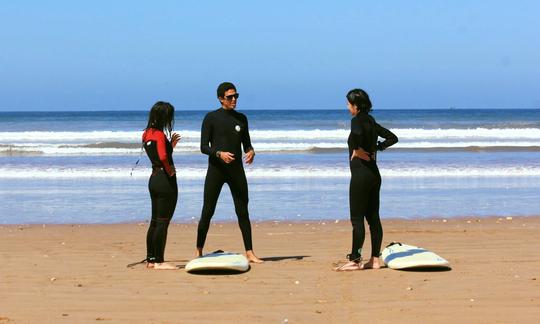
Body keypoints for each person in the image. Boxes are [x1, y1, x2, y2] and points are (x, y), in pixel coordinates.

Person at [196, 82, 263, 263]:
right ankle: (198, 251)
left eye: (236, 96)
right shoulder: (211, 118)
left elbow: (246, 144)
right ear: (220, 98)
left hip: (236, 172)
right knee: (208, 211)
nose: (234, 99)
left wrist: (251, 151)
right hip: (216, 171)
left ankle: (249, 252)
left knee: (242, 211)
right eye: (230, 97)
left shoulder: (241, 119)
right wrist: (219, 154)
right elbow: (203, 147)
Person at [336, 89, 398, 271]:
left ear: (355, 105)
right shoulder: (371, 120)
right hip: (373, 175)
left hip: (360, 176)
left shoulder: (356, 120)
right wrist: (377, 147)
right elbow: (393, 138)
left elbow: (355, 132)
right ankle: (375, 260)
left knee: (357, 219)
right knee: (373, 218)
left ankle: (355, 260)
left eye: (348, 104)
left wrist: (356, 148)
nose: (347, 107)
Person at [142, 101, 181, 270]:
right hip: (165, 180)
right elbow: (163, 157)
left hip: (153, 179)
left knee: (154, 221)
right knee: (163, 221)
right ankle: (159, 261)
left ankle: (151, 259)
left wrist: (170, 145)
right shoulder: (158, 134)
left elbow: (157, 154)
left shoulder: (146, 134)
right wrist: (170, 170)